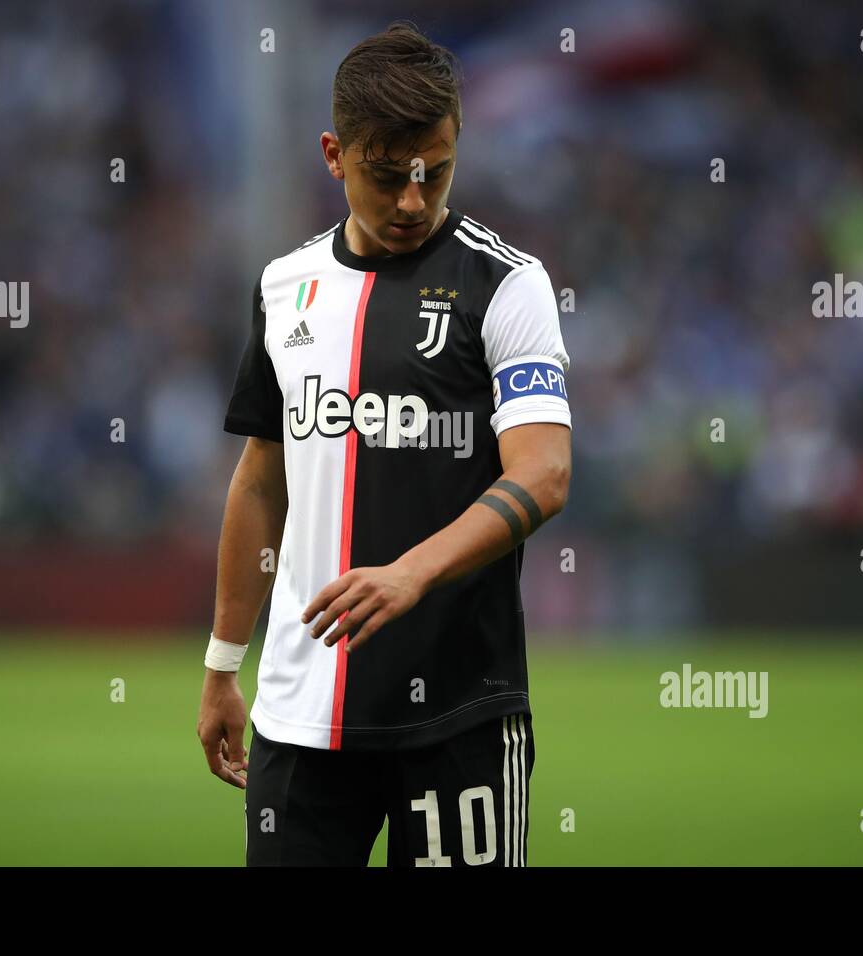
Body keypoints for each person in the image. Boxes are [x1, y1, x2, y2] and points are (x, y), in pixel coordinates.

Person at [197, 20, 571, 867]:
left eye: (433, 173)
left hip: (458, 717)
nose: (412, 200)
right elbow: (262, 481)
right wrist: (224, 661)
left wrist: (413, 571)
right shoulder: (284, 287)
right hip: (299, 720)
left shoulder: (507, 286)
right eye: (384, 173)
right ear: (334, 154)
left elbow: (545, 476)